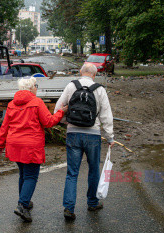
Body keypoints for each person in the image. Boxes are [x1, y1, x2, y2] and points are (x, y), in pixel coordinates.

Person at [0, 77, 68, 222]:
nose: (37, 88)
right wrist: (61, 112)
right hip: (30, 146)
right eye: (36, 85)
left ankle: (24, 201)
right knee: (31, 176)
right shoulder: (37, 102)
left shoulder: (11, 104)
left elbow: (4, 127)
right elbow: (48, 122)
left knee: (23, 174)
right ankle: (22, 205)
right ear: (31, 88)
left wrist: (0, 144)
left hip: (14, 145)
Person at [54, 63, 114, 221]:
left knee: (72, 172)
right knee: (94, 169)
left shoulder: (71, 86)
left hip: (73, 134)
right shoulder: (99, 89)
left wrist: (67, 122)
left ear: (81, 72)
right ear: (94, 75)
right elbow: (106, 115)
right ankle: (92, 202)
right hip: (93, 135)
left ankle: (69, 207)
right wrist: (110, 137)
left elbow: (57, 109)